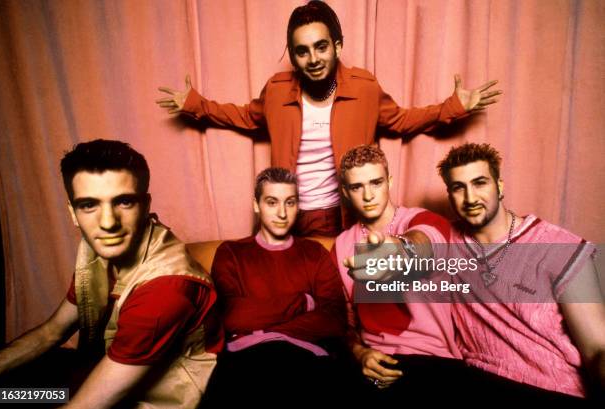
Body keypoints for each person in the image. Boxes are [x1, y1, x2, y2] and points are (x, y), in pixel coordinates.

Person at [156, 0, 501, 236]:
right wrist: (195, 104)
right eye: (302, 51)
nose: (313, 59)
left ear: (337, 46)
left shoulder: (364, 87)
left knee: (346, 296)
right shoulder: (277, 90)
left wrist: (455, 106)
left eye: (321, 47)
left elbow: (401, 120)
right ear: (293, 56)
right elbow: (246, 116)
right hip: (288, 213)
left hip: (345, 213)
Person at [0, 140, 217, 408]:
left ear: (146, 206)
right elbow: (51, 332)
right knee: (4, 395)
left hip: (148, 402)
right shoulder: (99, 251)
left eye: (124, 202)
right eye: (89, 205)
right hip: (94, 378)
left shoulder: (166, 288)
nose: (108, 223)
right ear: (73, 213)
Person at [437, 142, 605, 403]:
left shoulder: (558, 247)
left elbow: (597, 348)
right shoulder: (445, 241)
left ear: (500, 186)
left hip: (552, 389)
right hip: (477, 383)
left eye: (480, 183)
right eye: (458, 188)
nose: (470, 198)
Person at [200, 167, 347, 408]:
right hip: (245, 357)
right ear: (256, 205)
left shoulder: (314, 253)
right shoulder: (231, 252)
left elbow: (335, 319)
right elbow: (230, 315)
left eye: (290, 202)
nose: (282, 213)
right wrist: (302, 302)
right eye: (272, 202)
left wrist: (265, 330)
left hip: (307, 355)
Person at [332, 145, 467, 404]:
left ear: (390, 182)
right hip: (374, 359)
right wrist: (360, 353)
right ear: (346, 192)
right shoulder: (340, 246)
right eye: (357, 187)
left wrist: (399, 251)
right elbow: (344, 324)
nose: (368, 195)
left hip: (432, 358)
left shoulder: (425, 220)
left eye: (376, 182)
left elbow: (423, 243)